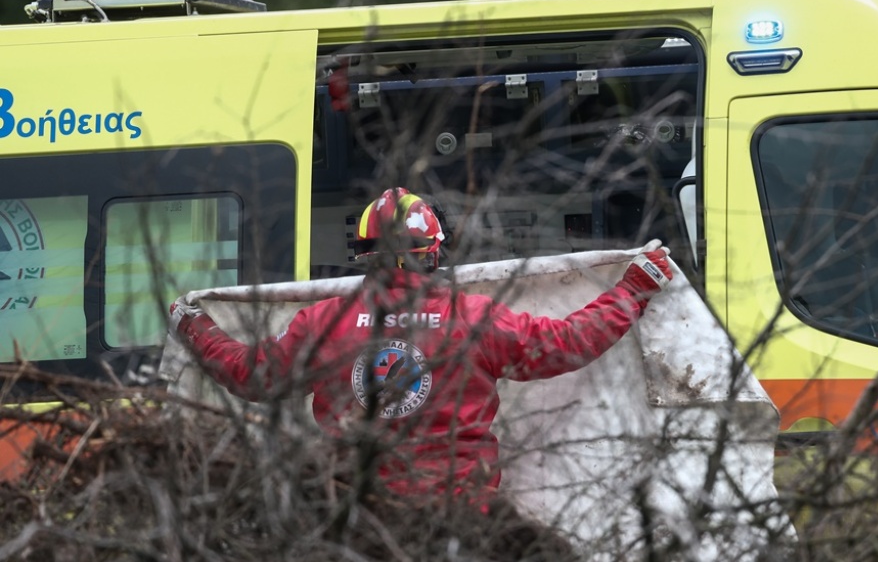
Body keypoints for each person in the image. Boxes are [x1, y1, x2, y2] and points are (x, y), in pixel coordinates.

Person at [168, 186, 673, 519]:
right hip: (459, 520)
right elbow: (566, 345)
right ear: (433, 251)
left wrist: (194, 327)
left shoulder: (323, 322)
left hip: (357, 520)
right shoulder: (474, 317)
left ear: (364, 252)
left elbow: (251, 376)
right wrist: (633, 288)